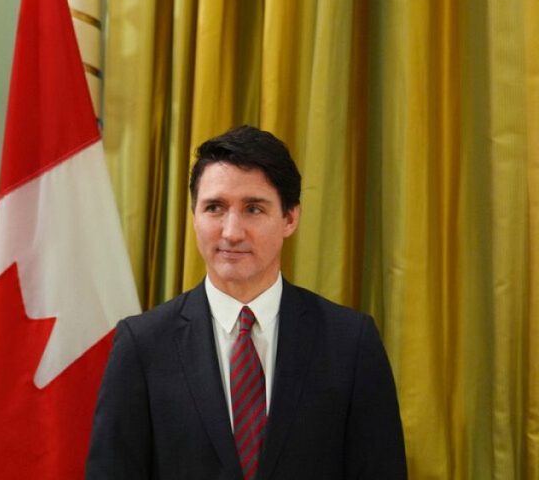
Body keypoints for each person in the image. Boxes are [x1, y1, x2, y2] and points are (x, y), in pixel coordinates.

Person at [85, 125, 406, 479]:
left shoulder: (351, 342)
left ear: (289, 217)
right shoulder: (141, 345)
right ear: (194, 216)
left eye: (253, 209)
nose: (232, 232)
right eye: (214, 208)